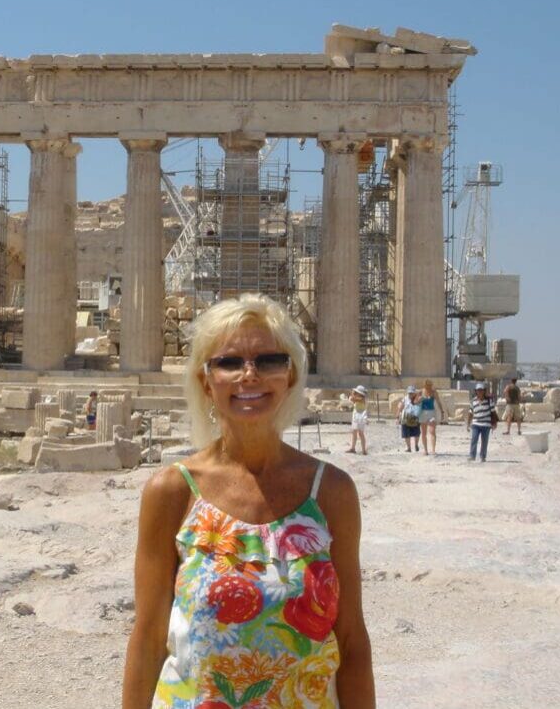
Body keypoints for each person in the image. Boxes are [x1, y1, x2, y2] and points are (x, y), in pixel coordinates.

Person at [123, 294, 374, 709]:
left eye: (270, 361)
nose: (250, 375)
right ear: (206, 380)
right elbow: (148, 640)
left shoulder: (331, 492)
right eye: (229, 362)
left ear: (290, 376)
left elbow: (351, 640)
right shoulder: (171, 492)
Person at [466, 382, 496, 462]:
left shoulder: (489, 401)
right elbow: (470, 412)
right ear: (476, 391)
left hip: (486, 424)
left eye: (481, 390)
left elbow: (493, 412)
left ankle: (483, 456)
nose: (479, 392)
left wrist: (494, 423)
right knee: (474, 440)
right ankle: (472, 455)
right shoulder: (473, 401)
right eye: (478, 390)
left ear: (484, 391)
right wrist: (468, 424)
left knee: (484, 441)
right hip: (476, 424)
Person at [418, 379, 442, 456]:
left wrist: (441, 411)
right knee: (424, 433)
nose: (429, 387)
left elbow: (438, 401)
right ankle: (425, 450)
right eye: (427, 386)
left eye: (430, 386)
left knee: (432, 431)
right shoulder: (421, 392)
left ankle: (433, 450)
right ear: (425, 386)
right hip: (423, 413)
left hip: (431, 413)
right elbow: (415, 402)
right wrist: (419, 399)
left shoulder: (434, 392)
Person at [346, 385, 369, 455]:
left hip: (361, 417)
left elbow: (352, 399)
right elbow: (352, 399)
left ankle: (364, 450)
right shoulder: (358, 398)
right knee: (354, 432)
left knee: (360, 433)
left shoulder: (363, 399)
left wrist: (352, 394)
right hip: (356, 416)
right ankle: (353, 448)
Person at [399, 385, 422, 452]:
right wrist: (398, 416)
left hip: (415, 417)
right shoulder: (405, 399)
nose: (410, 394)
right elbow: (401, 406)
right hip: (406, 417)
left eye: (412, 393)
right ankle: (409, 447)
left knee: (416, 432)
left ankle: (416, 445)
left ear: (414, 393)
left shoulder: (417, 399)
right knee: (406, 433)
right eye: (409, 393)